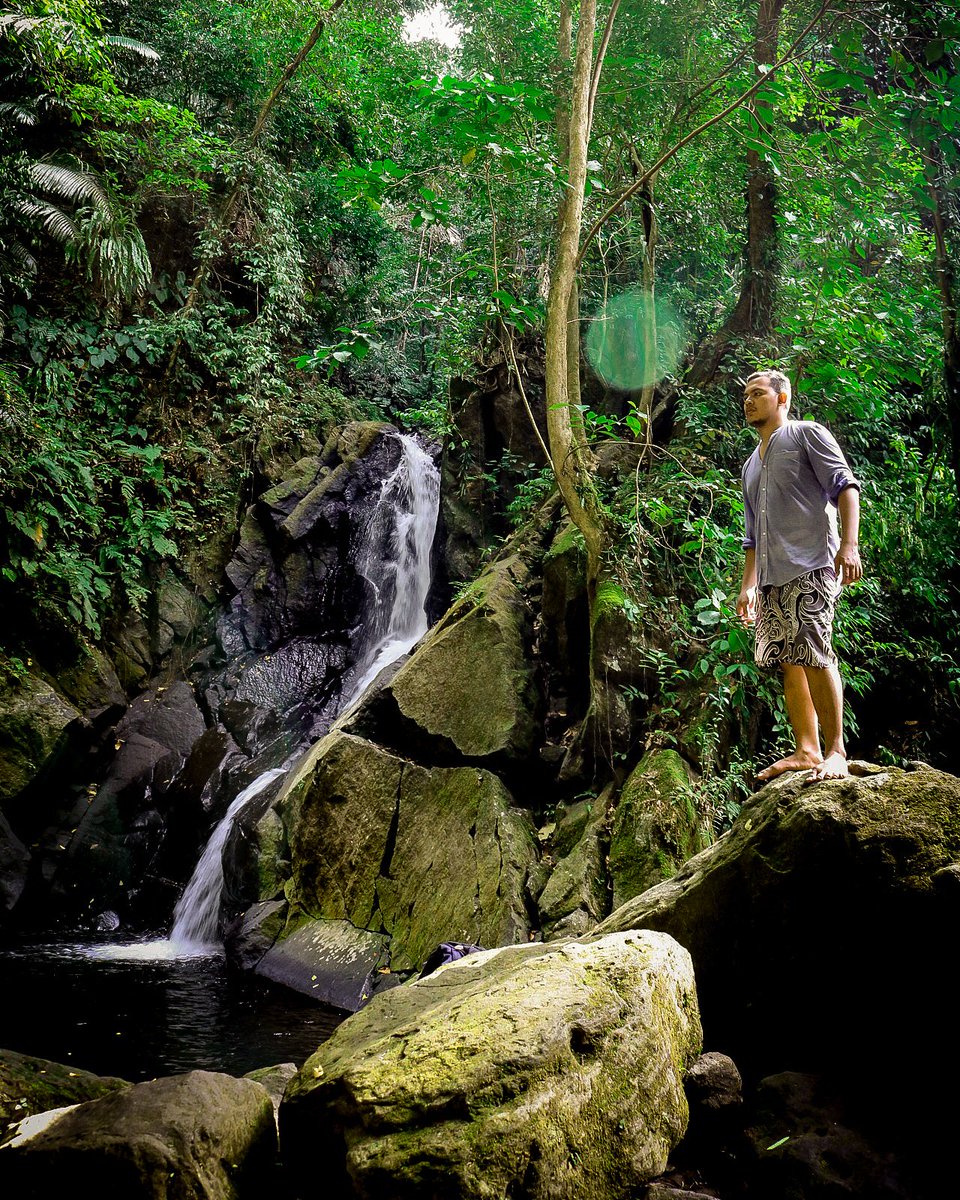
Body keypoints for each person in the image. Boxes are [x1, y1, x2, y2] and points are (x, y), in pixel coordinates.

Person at [735, 369, 862, 782]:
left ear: (783, 398)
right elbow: (751, 535)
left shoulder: (807, 433)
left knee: (814, 649)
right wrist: (748, 586)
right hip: (771, 576)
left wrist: (849, 545)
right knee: (789, 659)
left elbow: (845, 486)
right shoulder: (750, 466)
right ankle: (806, 749)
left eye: (758, 393)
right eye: (746, 395)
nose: (749, 401)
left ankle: (836, 751)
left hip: (812, 562)